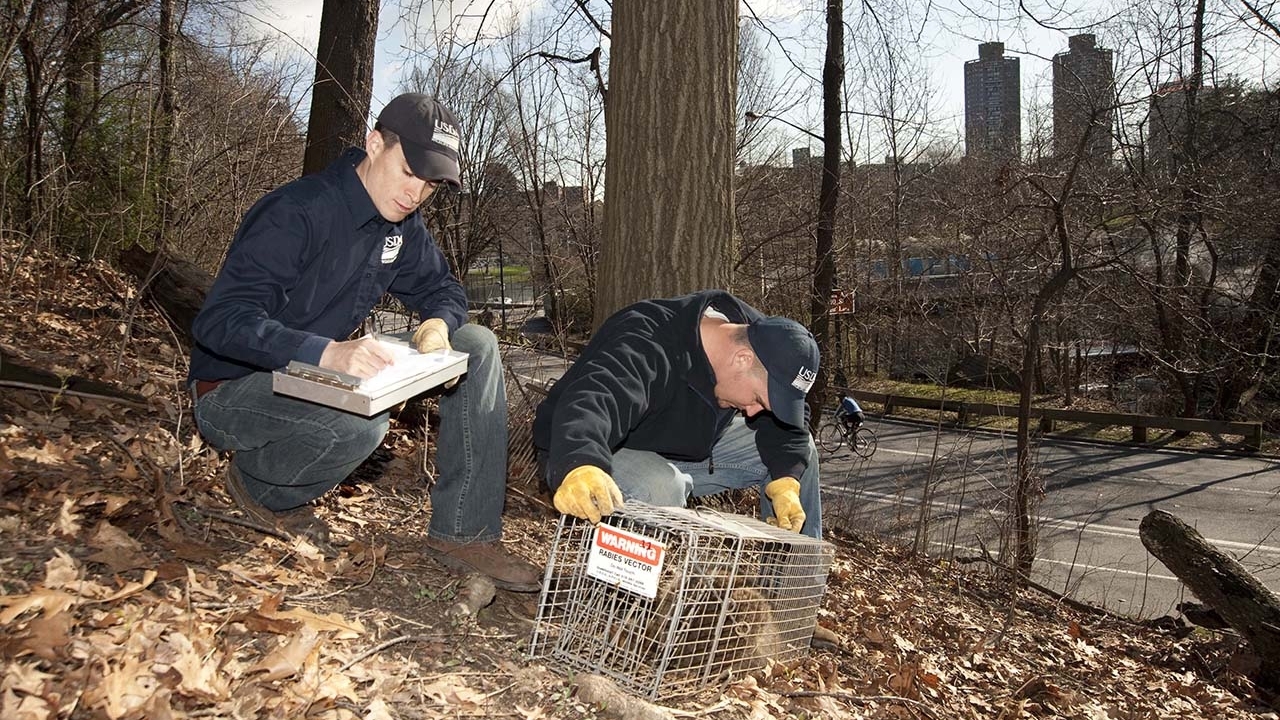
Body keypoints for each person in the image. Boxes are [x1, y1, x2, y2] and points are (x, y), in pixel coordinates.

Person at [188, 93, 540, 592]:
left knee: (476, 342)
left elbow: (444, 289)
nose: (416, 193)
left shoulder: (401, 224)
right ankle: (260, 487)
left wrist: (437, 324)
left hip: (311, 375)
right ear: (375, 144)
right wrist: (328, 353)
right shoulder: (297, 211)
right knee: (360, 420)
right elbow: (221, 322)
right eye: (408, 172)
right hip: (234, 389)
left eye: (430, 183)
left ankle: (464, 533)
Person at [533, 290, 824, 539]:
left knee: (798, 455)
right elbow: (595, 398)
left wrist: (786, 480)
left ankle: (793, 595)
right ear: (741, 359)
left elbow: (787, 423)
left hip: (687, 449)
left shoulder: (758, 337)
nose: (753, 412)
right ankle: (619, 598)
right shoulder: (648, 339)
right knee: (661, 485)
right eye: (758, 398)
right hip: (602, 447)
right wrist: (580, 462)